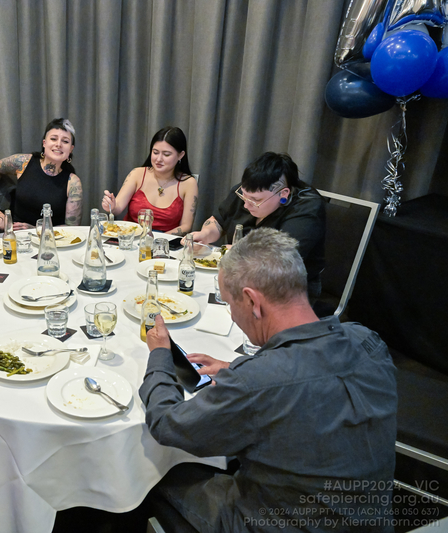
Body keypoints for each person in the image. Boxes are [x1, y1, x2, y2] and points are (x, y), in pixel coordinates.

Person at [140, 228, 397, 533]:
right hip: (371, 521)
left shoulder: (255, 383)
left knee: (153, 472)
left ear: (252, 301)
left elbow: (167, 424)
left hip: (276, 523)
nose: (232, 315)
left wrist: (160, 355)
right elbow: (311, 382)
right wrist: (235, 367)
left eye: (230, 304)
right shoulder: (368, 341)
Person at [191, 151, 325, 297]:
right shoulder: (250, 190)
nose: (246, 205)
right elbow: (218, 221)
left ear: (283, 194)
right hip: (240, 275)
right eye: (244, 196)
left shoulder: (307, 208)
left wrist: (241, 252)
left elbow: (280, 261)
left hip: (289, 287)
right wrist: (205, 234)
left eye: (256, 200)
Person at [0, 118, 83, 229]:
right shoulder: (23, 162)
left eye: (65, 141)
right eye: (53, 139)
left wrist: (36, 229)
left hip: (50, 238)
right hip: (15, 235)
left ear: (71, 149)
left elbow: (72, 228)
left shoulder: (73, 182)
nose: (58, 144)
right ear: (44, 143)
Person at [101, 127, 198, 234]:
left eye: (166, 154)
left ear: (180, 155)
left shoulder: (188, 183)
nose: (159, 159)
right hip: (132, 237)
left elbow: (186, 226)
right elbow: (117, 208)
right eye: (155, 152)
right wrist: (111, 206)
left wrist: (158, 239)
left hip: (165, 241)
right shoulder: (137, 174)